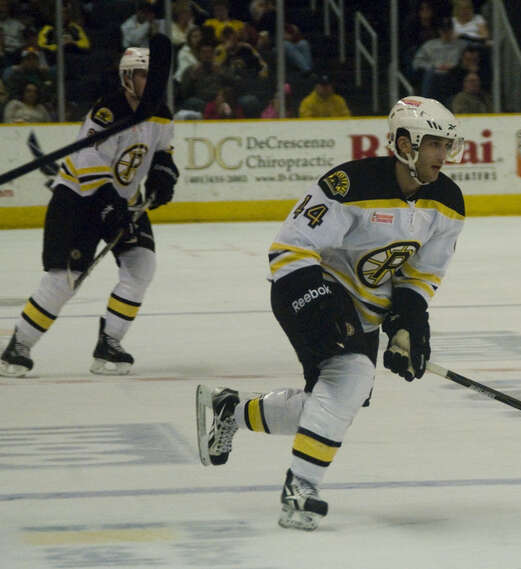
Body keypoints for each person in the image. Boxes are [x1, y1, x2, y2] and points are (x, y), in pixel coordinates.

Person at [195, 96, 466, 531]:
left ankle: (232, 410)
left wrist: (408, 326)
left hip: (363, 311)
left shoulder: (448, 201)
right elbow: (290, 247)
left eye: (446, 146)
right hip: (306, 287)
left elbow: (420, 275)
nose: (443, 155)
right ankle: (300, 489)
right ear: (404, 143)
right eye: (434, 144)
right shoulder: (350, 183)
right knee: (350, 376)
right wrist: (321, 304)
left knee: (336, 400)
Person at [0, 47, 179, 378]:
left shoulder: (161, 113)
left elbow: (162, 152)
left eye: (154, 75)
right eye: (143, 74)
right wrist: (111, 208)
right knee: (65, 280)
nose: (150, 81)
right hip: (78, 200)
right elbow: (90, 164)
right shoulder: (107, 112)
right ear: (127, 77)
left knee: (141, 265)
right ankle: (18, 346)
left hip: (122, 201)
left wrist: (163, 175)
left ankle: (110, 343)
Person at [412, 16, 466, 100]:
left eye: (449, 30)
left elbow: (468, 59)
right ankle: (428, 102)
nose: (446, 33)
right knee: (430, 74)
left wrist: (455, 66)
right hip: (434, 74)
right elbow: (417, 62)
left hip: (454, 74)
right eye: (444, 30)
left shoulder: (462, 45)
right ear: (439, 31)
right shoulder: (430, 45)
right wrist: (434, 66)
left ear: (452, 30)